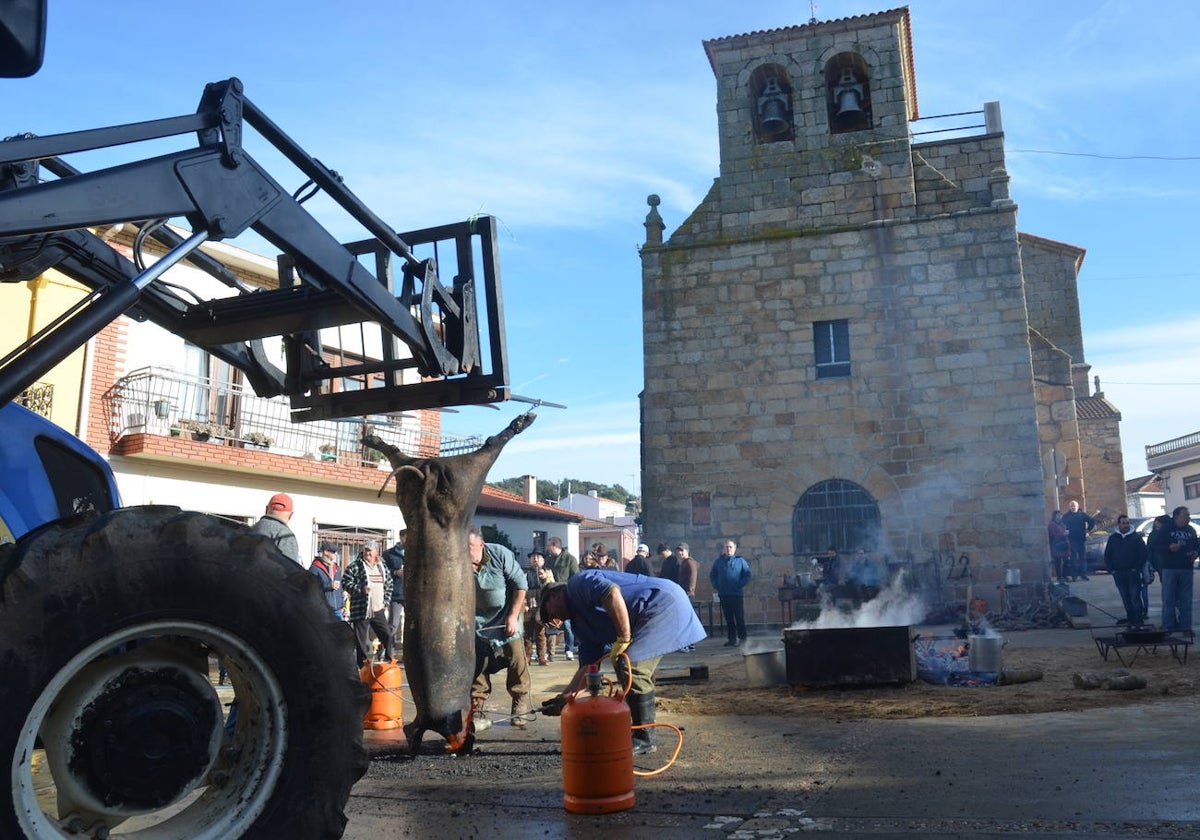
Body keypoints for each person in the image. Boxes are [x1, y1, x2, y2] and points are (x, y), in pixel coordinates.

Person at [538, 570, 706, 754]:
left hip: (662, 602)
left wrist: (624, 638)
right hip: (647, 613)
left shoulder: (577, 584)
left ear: (553, 596)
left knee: (630, 665)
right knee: (628, 665)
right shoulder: (581, 626)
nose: (556, 622)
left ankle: (645, 739)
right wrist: (564, 699)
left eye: (549, 615)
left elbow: (612, 593)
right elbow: (588, 670)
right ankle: (640, 730)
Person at [469, 527, 532, 727]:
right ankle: (477, 708)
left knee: (516, 659)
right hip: (477, 622)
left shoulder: (499, 554)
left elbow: (521, 585)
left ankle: (520, 705)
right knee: (476, 664)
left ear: (481, 544)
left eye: (468, 546)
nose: (463, 550)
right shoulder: (457, 563)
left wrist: (513, 616)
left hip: (506, 616)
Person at [1149, 507, 1199, 633]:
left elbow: (1197, 545)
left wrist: (1196, 553)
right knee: (1168, 599)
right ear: (1177, 516)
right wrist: (1169, 547)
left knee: (1186, 600)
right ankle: (1168, 627)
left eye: (1188, 515)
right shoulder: (1166, 529)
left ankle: (1186, 627)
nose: (1188, 518)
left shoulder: (1191, 530)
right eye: (1186, 515)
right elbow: (1156, 546)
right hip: (1169, 569)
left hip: (1186, 568)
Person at [344, 540, 394, 667]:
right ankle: (363, 667)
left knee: (387, 635)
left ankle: (389, 661)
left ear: (377, 551)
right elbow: (346, 582)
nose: (367, 552)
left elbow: (389, 584)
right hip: (361, 609)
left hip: (378, 609)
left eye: (370, 550)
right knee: (361, 642)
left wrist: (386, 601)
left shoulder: (382, 566)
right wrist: (361, 589)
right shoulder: (355, 566)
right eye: (366, 549)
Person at [1103, 515, 1149, 627]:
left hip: (1133, 573)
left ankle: (1138, 620)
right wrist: (1112, 569)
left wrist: (1136, 568)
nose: (1126, 525)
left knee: (1135, 597)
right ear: (1119, 524)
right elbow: (1108, 555)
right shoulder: (1113, 538)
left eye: (1127, 523)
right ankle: (1131, 619)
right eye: (1123, 523)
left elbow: (1143, 554)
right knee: (1125, 598)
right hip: (1118, 573)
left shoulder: (1136, 538)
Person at [710, 539, 751, 646]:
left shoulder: (740, 561)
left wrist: (739, 584)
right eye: (726, 547)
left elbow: (747, 575)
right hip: (724, 594)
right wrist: (717, 585)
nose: (728, 549)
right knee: (728, 618)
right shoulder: (718, 562)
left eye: (730, 547)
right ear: (724, 549)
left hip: (736, 594)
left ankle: (743, 638)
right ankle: (732, 639)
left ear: (735, 548)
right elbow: (713, 575)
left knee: (739, 617)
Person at [546, 536, 579, 661]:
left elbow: (575, 577)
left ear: (555, 546)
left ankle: (569, 649)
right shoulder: (549, 560)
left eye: (549, 545)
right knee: (550, 623)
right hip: (551, 595)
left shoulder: (570, 559)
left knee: (567, 624)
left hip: (565, 595)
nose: (547, 548)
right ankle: (550, 651)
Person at [248, 492, 300, 564]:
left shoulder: (251, 529)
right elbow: (289, 572)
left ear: (266, 509)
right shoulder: (286, 536)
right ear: (291, 515)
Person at [523, 550, 555, 666]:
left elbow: (551, 587)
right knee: (527, 633)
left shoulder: (548, 572)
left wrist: (544, 578)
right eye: (532, 557)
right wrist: (524, 603)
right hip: (529, 603)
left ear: (543, 560)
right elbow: (522, 588)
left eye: (538, 557)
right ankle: (527, 657)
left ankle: (542, 657)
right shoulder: (525, 572)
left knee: (541, 633)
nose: (535, 559)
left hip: (542, 605)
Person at [1061, 500, 1096, 582]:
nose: (1073, 507)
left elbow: (1092, 521)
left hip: (1081, 539)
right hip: (1072, 539)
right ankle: (1074, 576)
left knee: (1083, 558)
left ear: (1077, 506)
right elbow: (1061, 525)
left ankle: (1083, 574)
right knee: (1073, 559)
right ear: (1069, 507)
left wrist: (1088, 530)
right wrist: (1065, 531)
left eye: (1074, 506)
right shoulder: (1066, 516)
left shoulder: (1082, 514)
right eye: (1071, 506)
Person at [310, 541, 345, 620]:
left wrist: (343, 605)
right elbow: (312, 588)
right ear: (325, 552)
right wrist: (329, 585)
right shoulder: (315, 568)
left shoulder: (337, 568)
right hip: (323, 610)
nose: (336, 554)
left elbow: (340, 589)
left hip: (338, 610)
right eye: (333, 552)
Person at [383, 530, 407, 649]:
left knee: (411, 624)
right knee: (393, 624)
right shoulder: (389, 554)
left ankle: (410, 649)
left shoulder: (415, 553)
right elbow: (383, 572)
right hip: (396, 593)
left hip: (411, 594)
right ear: (401, 538)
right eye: (406, 538)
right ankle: (388, 650)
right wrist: (395, 572)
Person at [674, 542, 699, 651]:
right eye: (678, 551)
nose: (680, 552)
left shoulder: (689, 563)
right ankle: (690, 643)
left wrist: (689, 592)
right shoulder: (684, 563)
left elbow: (692, 579)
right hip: (684, 594)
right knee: (687, 619)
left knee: (685, 620)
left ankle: (686, 644)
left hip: (687, 595)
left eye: (682, 550)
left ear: (687, 551)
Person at [1047, 511, 1070, 583]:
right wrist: (1063, 534)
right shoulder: (1052, 524)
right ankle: (1059, 577)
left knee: (1066, 561)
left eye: (1060, 515)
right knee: (1058, 562)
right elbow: (1052, 535)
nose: (1059, 516)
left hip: (1064, 545)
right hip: (1056, 545)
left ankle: (1065, 576)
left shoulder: (1062, 524)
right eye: (1058, 515)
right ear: (1055, 516)